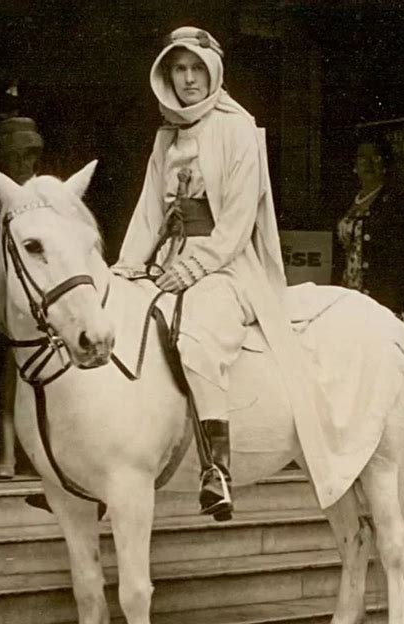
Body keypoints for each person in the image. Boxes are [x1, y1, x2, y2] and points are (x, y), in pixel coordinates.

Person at [113, 27, 336, 520]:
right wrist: (128, 268)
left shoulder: (238, 129)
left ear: (213, 72)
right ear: (166, 75)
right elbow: (149, 210)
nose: (188, 79)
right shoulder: (167, 133)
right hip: (166, 262)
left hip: (227, 266)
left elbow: (237, 221)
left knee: (195, 337)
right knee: (120, 326)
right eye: (179, 69)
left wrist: (192, 267)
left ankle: (217, 469)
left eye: (196, 69)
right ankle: (103, 467)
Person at [0, 116, 44, 478]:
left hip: (37, 294)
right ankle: (9, 455)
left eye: (29, 155)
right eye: (17, 156)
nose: (24, 163)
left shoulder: (42, 193)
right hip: (1, 293)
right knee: (10, 371)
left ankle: (37, 454)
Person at [335, 135, 404, 324]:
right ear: (354, 165)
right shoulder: (346, 203)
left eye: (376, 157)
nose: (369, 163)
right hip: (349, 298)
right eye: (362, 158)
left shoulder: (400, 204)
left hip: (386, 302)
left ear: (385, 164)